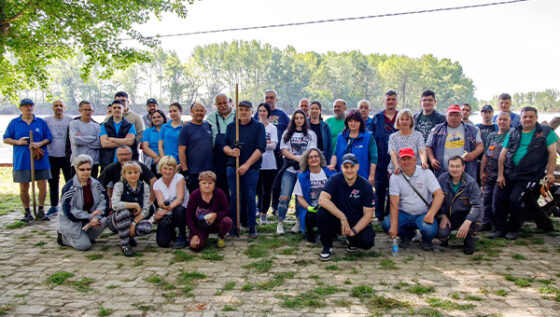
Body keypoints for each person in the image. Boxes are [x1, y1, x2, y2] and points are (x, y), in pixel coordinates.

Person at [490, 107, 557, 240]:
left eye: (531, 116)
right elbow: (502, 155)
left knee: (515, 200)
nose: (527, 119)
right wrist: (500, 175)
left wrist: (550, 173)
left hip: (529, 176)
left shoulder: (545, 132)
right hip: (509, 173)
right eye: (525, 117)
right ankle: (500, 229)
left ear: (536, 118)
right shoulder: (513, 132)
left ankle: (513, 229)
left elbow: (552, 153)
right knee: (498, 198)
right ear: (520, 119)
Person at [317, 153, 376, 261]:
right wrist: (342, 217)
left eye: (352, 166)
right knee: (322, 213)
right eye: (346, 167)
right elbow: (322, 200)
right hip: (338, 220)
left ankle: (352, 239)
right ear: (341, 167)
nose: (349, 170)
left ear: (357, 167)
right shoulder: (334, 180)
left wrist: (354, 231)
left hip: (356, 221)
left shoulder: (366, 186)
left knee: (367, 242)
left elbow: (368, 215)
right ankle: (327, 246)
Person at [382, 148, 443, 251]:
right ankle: (406, 235)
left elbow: (439, 195)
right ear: (399, 161)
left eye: (409, 159)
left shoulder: (426, 173)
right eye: (403, 159)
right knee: (387, 225)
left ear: (415, 160)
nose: (406, 162)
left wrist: (431, 214)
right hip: (404, 213)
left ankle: (426, 240)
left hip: (422, 213)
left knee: (429, 230)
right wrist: (394, 225)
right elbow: (394, 203)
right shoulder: (395, 177)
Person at [4, 98, 52, 222]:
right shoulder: (14, 122)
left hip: (40, 159)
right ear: (21, 108)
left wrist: (38, 144)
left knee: (42, 185)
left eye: (30, 106)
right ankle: (27, 212)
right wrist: (18, 142)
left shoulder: (40, 122)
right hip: (22, 160)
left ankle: (41, 210)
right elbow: (6, 139)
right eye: (25, 106)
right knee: (23, 187)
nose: (28, 108)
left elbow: (48, 138)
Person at [224, 100, 266, 238]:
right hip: (232, 167)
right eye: (241, 109)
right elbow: (224, 145)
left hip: (251, 168)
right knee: (235, 197)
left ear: (251, 112)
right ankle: (234, 227)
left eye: (246, 110)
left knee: (249, 196)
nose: (243, 112)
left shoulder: (258, 127)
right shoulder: (232, 127)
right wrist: (231, 152)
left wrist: (247, 165)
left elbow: (261, 148)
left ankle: (252, 226)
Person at [277, 109, 317, 234]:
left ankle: (299, 223)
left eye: (301, 118)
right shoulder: (287, 133)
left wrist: (303, 161)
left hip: (304, 171)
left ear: (305, 120)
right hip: (289, 169)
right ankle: (280, 222)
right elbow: (284, 150)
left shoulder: (311, 134)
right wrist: (297, 158)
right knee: (284, 196)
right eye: (296, 118)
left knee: (301, 197)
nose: (299, 120)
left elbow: (312, 151)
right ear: (293, 120)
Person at [57, 154, 108, 250]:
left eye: (88, 169)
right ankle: (63, 237)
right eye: (82, 169)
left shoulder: (96, 184)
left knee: (107, 219)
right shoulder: (69, 188)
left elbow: (104, 201)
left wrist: (96, 217)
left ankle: (85, 236)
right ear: (76, 169)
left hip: (91, 219)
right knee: (84, 246)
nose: (86, 172)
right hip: (73, 222)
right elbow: (70, 212)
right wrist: (90, 216)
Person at [436, 156, 482, 254]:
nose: (455, 169)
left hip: (465, 217)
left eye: (457, 166)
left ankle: (469, 240)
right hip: (447, 217)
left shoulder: (471, 183)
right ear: (448, 167)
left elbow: (477, 206)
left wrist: (468, 221)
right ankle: (444, 238)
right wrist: (442, 216)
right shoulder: (441, 180)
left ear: (463, 167)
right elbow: (434, 200)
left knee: (469, 249)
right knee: (442, 233)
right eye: (452, 166)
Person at [254, 90, 290, 215]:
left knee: (275, 183)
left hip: (278, 154)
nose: (269, 99)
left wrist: (285, 148)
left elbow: (289, 131)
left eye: (271, 97)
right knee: (259, 182)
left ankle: (275, 207)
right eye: (267, 97)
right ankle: (260, 207)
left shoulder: (282, 115)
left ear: (276, 100)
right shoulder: (258, 114)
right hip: (259, 154)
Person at [426, 104, 483, 179]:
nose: (453, 118)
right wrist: (432, 159)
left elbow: (480, 145)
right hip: (442, 173)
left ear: (461, 116)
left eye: (456, 115)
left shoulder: (473, 130)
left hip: (467, 172)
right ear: (446, 116)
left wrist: (473, 154)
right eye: (451, 115)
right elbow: (428, 146)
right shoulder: (436, 130)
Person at [108, 161, 153, 256]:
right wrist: (134, 205)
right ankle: (125, 245)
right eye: (129, 173)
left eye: (136, 172)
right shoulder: (119, 185)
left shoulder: (144, 187)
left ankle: (129, 236)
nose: (133, 175)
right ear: (124, 174)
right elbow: (115, 205)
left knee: (147, 227)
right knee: (124, 213)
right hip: (117, 219)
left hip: (134, 219)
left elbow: (146, 209)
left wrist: (134, 223)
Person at [294, 148, 334, 243]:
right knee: (310, 216)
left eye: (316, 156)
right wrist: (309, 207)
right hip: (312, 208)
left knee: (326, 214)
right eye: (310, 157)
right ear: (306, 161)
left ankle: (329, 232)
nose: (314, 159)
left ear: (320, 158)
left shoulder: (330, 173)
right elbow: (300, 197)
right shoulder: (302, 177)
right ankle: (310, 234)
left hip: (329, 207)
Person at [479, 112, 511, 231]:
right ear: (496, 121)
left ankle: (499, 225)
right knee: (486, 198)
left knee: (498, 199)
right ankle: (486, 221)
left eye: (505, 120)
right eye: (500, 119)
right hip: (490, 171)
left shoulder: (512, 135)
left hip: (505, 172)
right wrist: (482, 172)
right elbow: (486, 155)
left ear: (509, 121)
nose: (502, 122)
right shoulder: (491, 136)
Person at [186, 171, 233, 251]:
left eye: (210, 183)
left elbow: (227, 211)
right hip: (200, 226)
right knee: (196, 247)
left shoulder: (219, 193)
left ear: (214, 184)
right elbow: (189, 217)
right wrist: (194, 234)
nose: (207, 186)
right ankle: (200, 236)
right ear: (199, 184)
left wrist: (216, 215)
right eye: (204, 183)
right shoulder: (194, 195)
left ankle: (221, 237)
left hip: (215, 224)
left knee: (227, 221)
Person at [371, 91, 399, 220]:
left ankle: (389, 214)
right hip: (380, 160)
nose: (391, 101)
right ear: (384, 101)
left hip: (396, 161)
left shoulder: (401, 117)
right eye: (388, 99)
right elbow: (372, 140)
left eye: (393, 99)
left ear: (397, 101)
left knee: (393, 188)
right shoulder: (377, 118)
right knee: (380, 188)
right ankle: (379, 215)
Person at [330, 110, 377, 185]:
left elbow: (374, 158)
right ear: (347, 122)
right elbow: (335, 154)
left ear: (360, 122)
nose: (353, 123)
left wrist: (371, 176)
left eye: (356, 121)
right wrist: (332, 165)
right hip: (343, 176)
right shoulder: (341, 137)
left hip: (362, 177)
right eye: (350, 121)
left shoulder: (368, 137)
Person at [44, 100, 74, 216]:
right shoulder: (47, 120)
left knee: (69, 181)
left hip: (67, 156)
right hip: (52, 155)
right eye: (56, 106)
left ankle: (70, 204)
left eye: (61, 105)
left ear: (64, 107)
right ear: (52, 108)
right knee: (53, 182)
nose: (58, 108)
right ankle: (53, 205)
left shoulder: (70, 120)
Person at [153, 156, 188, 248]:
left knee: (178, 209)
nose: (167, 171)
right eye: (165, 168)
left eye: (170, 169)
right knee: (162, 243)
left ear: (174, 169)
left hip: (181, 211)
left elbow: (180, 199)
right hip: (168, 213)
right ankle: (171, 233)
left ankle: (182, 235)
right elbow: (160, 201)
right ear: (160, 168)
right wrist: (162, 207)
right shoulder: (157, 184)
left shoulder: (179, 178)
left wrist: (164, 211)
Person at [178, 102, 213, 193]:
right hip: (193, 171)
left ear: (205, 112)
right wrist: (185, 171)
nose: (199, 113)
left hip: (209, 170)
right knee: (195, 197)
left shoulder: (208, 126)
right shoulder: (186, 128)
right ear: (192, 112)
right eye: (197, 110)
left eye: (202, 111)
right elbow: (181, 151)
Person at [207, 93, 235, 197]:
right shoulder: (210, 118)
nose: (222, 105)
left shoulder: (238, 115)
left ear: (230, 103)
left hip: (235, 155)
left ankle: (238, 210)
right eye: (219, 104)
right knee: (221, 185)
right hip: (218, 157)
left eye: (225, 103)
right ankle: (225, 210)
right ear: (215, 105)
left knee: (236, 185)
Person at [256, 103, 278, 224]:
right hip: (256, 163)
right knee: (256, 189)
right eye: (260, 111)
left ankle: (264, 214)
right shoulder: (254, 126)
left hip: (269, 164)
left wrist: (260, 145)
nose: (262, 113)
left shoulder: (272, 128)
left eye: (264, 111)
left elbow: (273, 145)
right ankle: (257, 210)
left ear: (268, 112)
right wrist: (265, 144)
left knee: (267, 190)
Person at [388, 109, 428, 175]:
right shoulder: (393, 137)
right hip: (397, 171)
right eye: (402, 119)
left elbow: (422, 151)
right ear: (398, 121)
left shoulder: (418, 135)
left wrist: (423, 162)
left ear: (411, 122)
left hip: (414, 171)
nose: (404, 121)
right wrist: (396, 166)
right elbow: (393, 153)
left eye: (407, 119)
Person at [99, 99, 137, 170]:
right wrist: (124, 141)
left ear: (123, 110)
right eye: (114, 108)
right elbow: (104, 144)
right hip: (108, 161)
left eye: (119, 108)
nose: (117, 109)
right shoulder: (104, 126)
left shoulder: (130, 126)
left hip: (126, 161)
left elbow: (130, 142)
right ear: (111, 110)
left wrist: (112, 139)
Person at [69, 101, 101, 178]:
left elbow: (98, 144)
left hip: (93, 162)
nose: (87, 112)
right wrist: (92, 138)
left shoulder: (97, 126)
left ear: (92, 111)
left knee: (91, 187)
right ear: (80, 111)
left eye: (89, 110)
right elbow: (75, 141)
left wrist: (82, 138)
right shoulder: (74, 124)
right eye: (85, 110)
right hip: (77, 161)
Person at [141, 109, 167, 177]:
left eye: (159, 117)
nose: (156, 119)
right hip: (153, 161)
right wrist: (158, 157)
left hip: (168, 161)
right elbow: (145, 147)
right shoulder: (148, 131)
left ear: (164, 118)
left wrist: (162, 158)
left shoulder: (168, 130)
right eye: (154, 118)